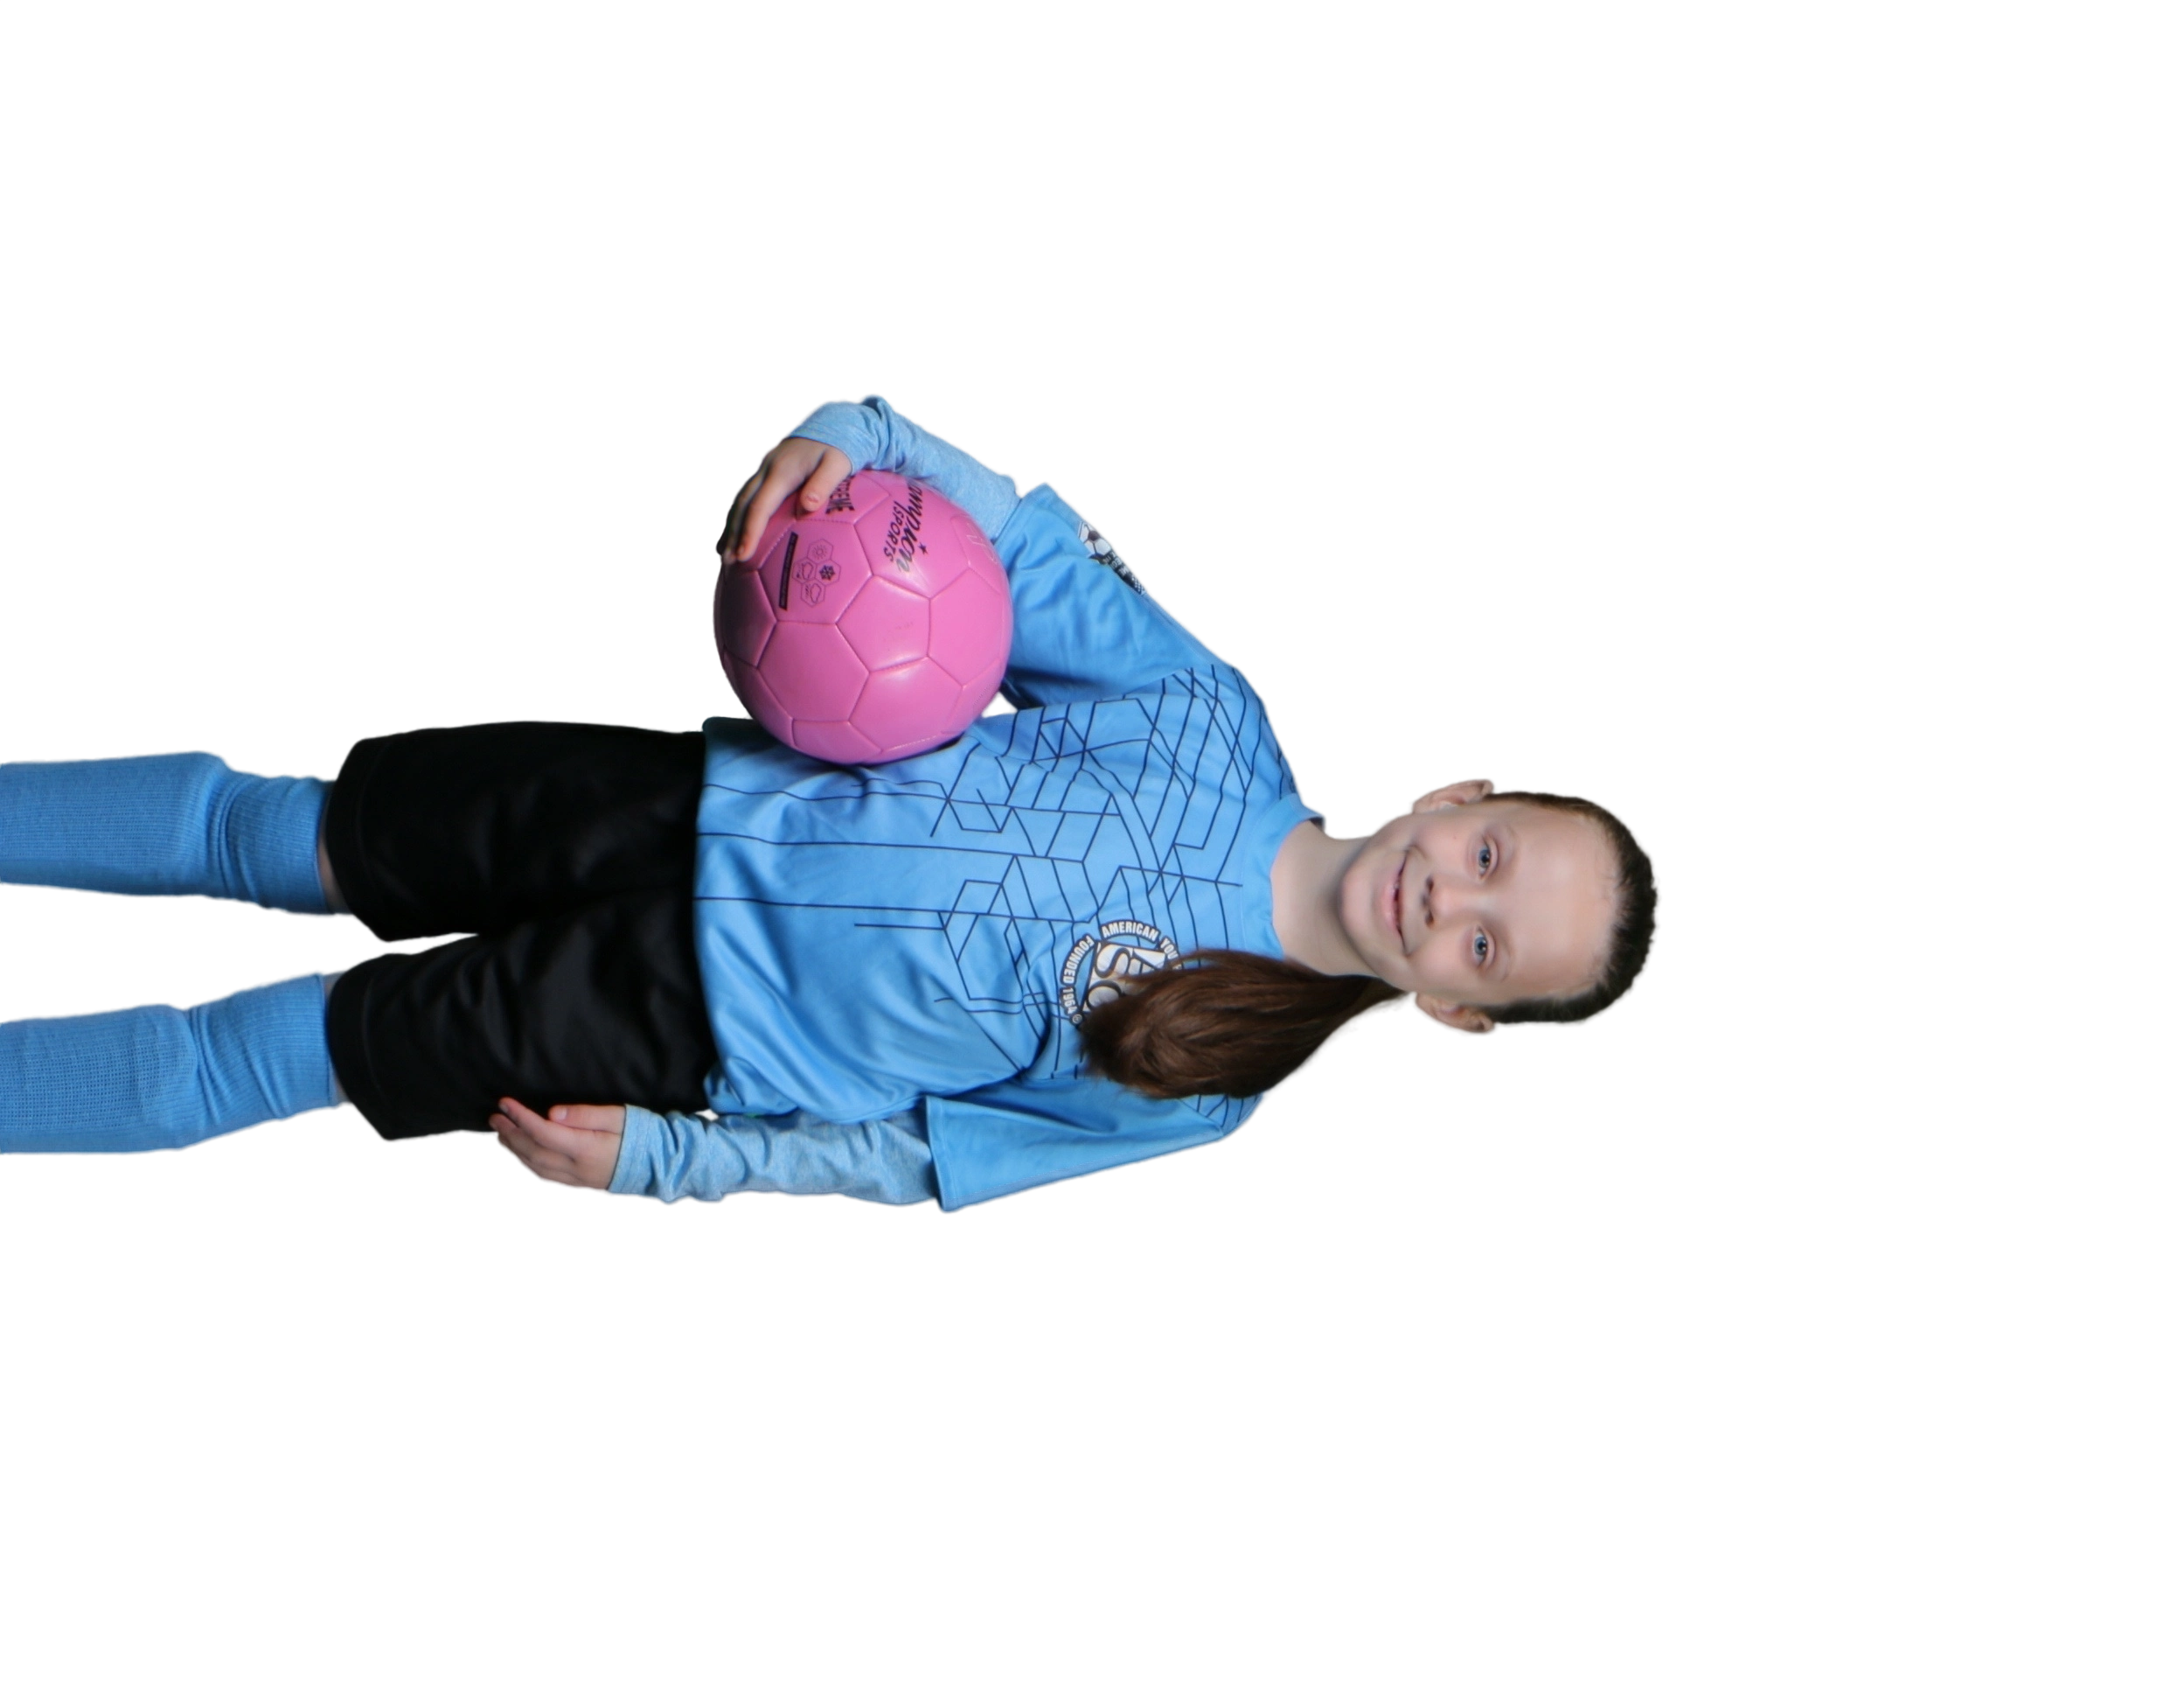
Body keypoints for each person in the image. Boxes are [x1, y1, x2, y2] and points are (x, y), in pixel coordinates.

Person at [0, 394, 1663, 1212]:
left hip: (674, 1028)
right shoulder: (1206, 716)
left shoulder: (1213, 1084)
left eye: (1489, 946)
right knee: (255, 831)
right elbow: (1013, 545)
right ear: (1457, 794)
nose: (1450, 897)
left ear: (1460, 1016)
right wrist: (854, 434)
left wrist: (670, 1162)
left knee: (271, 1048)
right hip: (668, 804)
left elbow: (913, 1158)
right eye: (1491, 854)